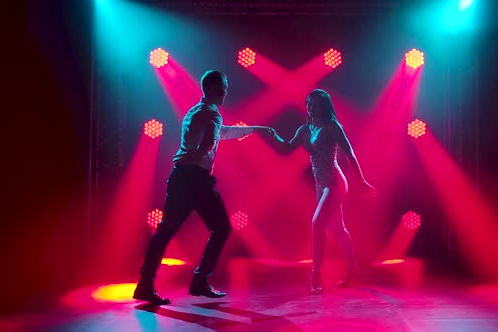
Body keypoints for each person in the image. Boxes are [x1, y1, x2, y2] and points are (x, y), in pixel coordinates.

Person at [133, 70, 272, 305]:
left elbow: (222, 133)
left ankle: (145, 285)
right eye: (225, 87)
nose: (227, 92)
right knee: (222, 228)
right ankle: (199, 280)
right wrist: (202, 153)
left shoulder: (197, 111)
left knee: (165, 231)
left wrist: (255, 129)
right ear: (216, 88)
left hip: (180, 177)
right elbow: (209, 143)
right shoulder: (209, 114)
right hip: (195, 179)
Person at [267, 89, 375, 295]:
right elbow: (286, 148)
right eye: (309, 104)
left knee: (317, 223)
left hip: (335, 183)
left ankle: (315, 275)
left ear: (324, 107)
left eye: (315, 104)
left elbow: (350, 154)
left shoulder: (332, 127)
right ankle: (353, 271)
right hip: (320, 185)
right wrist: (270, 136)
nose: (311, 107)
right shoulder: (305, 130)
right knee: (338, 228)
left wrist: (361, 182)